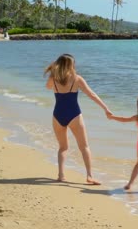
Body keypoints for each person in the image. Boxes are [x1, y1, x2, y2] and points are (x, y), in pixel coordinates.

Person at [44, 53, 112, 185]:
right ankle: (89, 176)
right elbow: (91, 94)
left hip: (58, 115)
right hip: (74, 115)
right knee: (84, 147)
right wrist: (106, 109)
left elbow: (48, 87)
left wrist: (53, 71)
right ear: (71, 65)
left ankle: (61, 175)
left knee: (63, 147)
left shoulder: (54, 78)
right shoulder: (77, 78)